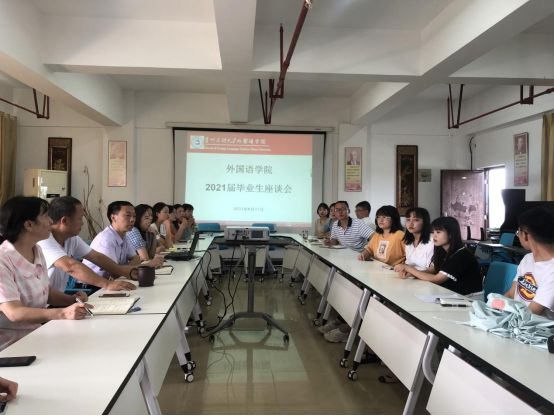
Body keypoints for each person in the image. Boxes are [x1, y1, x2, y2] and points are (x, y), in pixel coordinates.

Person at [0, 196, 93, 352]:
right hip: (11, 347)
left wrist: (71, 300)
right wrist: (63, 313)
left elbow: (46, 291)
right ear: (29, 224)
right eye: (45, 216)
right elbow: (14, 313)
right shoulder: (3, 260)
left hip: (37, 335)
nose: (51, 221)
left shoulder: (36, 250)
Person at [37, 197, 138, 294]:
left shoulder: (72, 239)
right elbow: (70, 266)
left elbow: (97, 257)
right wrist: (108, 284)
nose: (82, 223)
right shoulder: (44, 240)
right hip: (45, 303)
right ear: (65, 221)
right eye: (80, 218)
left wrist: (126, 272)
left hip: (56, 298)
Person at [400, 217, 482, 296]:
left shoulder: (461, 255)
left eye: (438, 232)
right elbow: (435, 270)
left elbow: (437, 279)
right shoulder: (442, 249)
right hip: (450, 293)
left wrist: (409, 269)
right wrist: (411, 274)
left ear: (450, 234)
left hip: (468, 297)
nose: (434, 236)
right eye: (433, 232)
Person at [82, 201, 163, 280]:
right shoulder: (106, 239)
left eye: (134, 216)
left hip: (114, 281)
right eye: (128, 215)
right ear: (113, 218)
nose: (132, 219)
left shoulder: (123, 236)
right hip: (93, 286)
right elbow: (114, 273)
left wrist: (120, 270)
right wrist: (148, 265)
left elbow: (136, 259)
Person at [504, 208, 554, 320]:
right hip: (516, 321)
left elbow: (531, 314)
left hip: (535, 328)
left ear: (526, 235)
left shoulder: (552, 271)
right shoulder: (527, 259)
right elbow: (511, 294)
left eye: (518, 232)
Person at [395, 207, 435, 278]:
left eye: (416, 220)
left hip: (427, 280)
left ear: (424, 222)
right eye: (408, 220)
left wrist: (412, 274)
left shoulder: (432, 241)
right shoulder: (409, 242)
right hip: (412, 279)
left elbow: (433, 270)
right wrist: (403, 271)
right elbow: (408, 264)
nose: (410, 223)